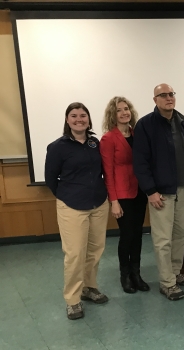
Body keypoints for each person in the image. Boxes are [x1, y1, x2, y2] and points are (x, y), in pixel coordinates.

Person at [45, 102, 109, 320]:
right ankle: (73, 300)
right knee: (74, 254)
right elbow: (51, 179)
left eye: (83, 115)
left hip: (98, 204)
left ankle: (89, 287)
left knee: (95, 250)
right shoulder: (57, 147)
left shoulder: (94, 143)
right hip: (71, 206)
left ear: (89, 120)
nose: (79, 119)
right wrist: (67, 195)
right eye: (74, 116)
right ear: (67, 120)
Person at [133, 84, 184, 301]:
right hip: (161, 193)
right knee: (162, 239)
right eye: (163, 95)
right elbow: (140, 162)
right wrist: (150, 191)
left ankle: (175, 273)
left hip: (182, 189)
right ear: (155, 99)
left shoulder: (182, 121)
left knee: (181, 234)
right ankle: (167, 282)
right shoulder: (145, 125)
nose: (169, 98)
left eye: (171, 94)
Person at [100, 96, 149, 294]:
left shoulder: (137, 133)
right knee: (127, 235)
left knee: (138, 234)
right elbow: (108, 172)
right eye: (119, 110)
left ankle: (136, 274)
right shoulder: (108, 139)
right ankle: (125, 275)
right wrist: (114, 201)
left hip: (140, 191)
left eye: (126, 108)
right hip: (122, 194)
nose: (124, 113)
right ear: (113, 114)